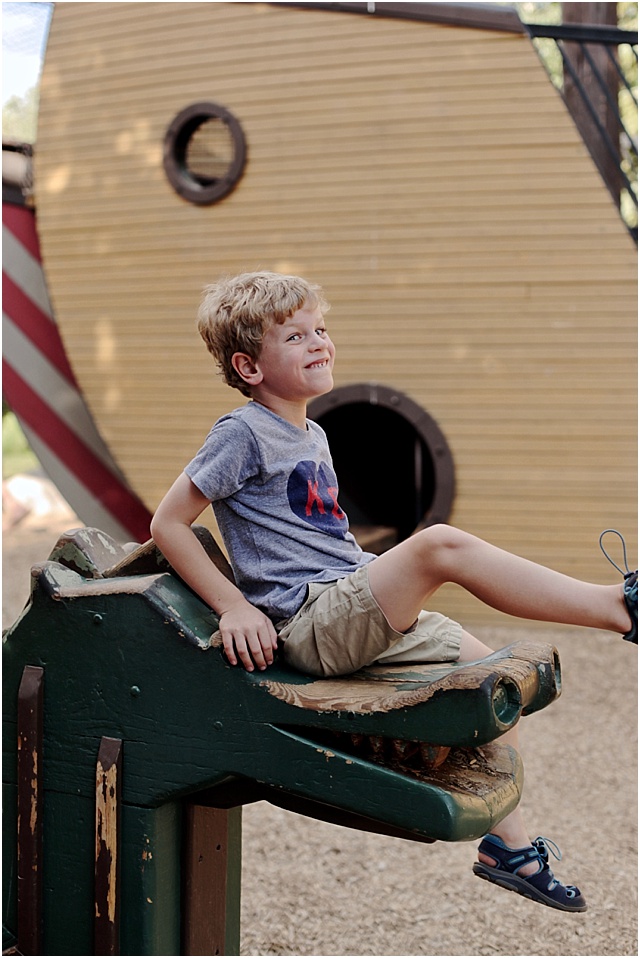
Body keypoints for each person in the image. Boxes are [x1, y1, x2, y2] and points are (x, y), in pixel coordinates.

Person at [151, 270, 637, 914]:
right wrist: (235, 605)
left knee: (490, 675)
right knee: (439, 546)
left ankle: (510, 850)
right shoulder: (240, 433)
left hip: (346, 598)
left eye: (320, 328)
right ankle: (618, 608)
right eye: (295, 336)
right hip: (312, 621)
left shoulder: (313, 434)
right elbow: (167, 522)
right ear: (248, 366)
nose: (318, 341)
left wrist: (371, 570)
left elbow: (320, 537)